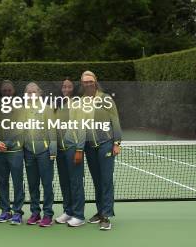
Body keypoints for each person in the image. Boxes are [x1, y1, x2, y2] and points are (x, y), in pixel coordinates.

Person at [81, 71, 122, 231]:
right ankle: (99, 211)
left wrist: (117, 142)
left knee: (106, 180)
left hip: (106, 144)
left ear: (95, 81)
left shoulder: (106, 99)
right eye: (85, 82)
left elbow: (115, 121)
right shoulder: (82, 101)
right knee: (97, 180)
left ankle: (106, 216)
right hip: (89, 146)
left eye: (91, 81)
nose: (88, 84)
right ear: (82, 83)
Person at [0, 80, 25, 225]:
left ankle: (17, 212)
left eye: (9, 90)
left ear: (13, 91)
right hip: (0, 152)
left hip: (16, 151)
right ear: (1, 92)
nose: (7, 93)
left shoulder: (20, 107)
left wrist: (9, 144)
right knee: (2, 181)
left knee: (17, 182)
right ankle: (5, 210)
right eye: (4, 91)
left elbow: (22, 128)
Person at [22, 82, 56, 227]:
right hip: (29, 152)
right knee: (33, 184)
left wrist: (52, 150)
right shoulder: (23, 110)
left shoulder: (47, 109)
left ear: (39, 93)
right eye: (28, 92)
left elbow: (52, 130)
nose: (31, 95)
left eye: (34, 92)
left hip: (45, 152)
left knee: (47, 184)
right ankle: (35, 213)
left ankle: (48, 214)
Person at [53, 78, 86, 226]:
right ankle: (68, 212)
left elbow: (82, 127)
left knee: (75, 182)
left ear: (73, 88)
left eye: (69, 86)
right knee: (64, 182)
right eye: (64, 86)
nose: (66, 88)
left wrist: (79, 148)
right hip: (60, 150)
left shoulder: (78, 104)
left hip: (73, 148)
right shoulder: (58, 104)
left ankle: (79, 215)